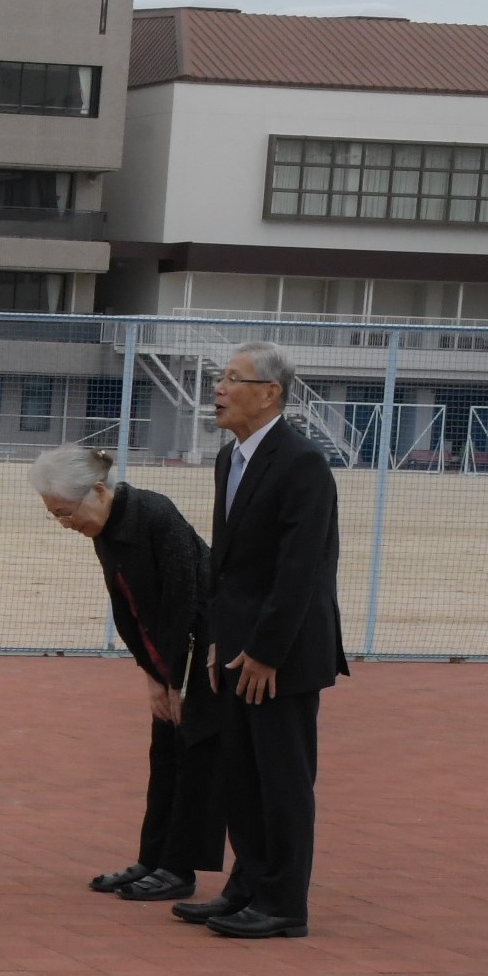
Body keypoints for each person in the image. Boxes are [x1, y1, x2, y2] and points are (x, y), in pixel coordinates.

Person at [174, 342, 348, 940]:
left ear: (270, 393)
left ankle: (283, 903)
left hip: (284, 656)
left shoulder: (302, 463)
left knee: (281, 781)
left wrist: (267, 651)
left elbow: (301, 571)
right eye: (219, 378)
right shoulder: (231, 458)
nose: (218, 389)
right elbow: (228, 567)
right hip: (236, 649)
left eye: (232, 379)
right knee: (241, 778)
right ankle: (246, 888)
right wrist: (220, 638)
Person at [30, 445, 224, 904]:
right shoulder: (104, 529)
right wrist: (151, 674)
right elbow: (128, 610)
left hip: (204, 649)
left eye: (66, 512)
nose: (65, 523)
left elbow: (186, 600)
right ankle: (153, 858)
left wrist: (176, 681)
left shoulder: (154, 514)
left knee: (194, 757)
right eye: (55, 515)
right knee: (164, 757)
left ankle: (179, 869)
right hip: (167, 655)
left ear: (98, 491)